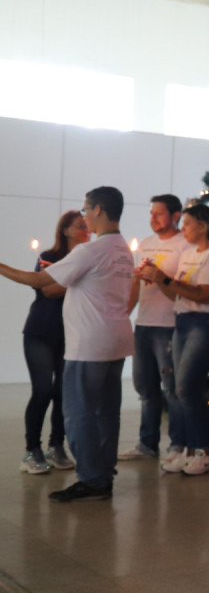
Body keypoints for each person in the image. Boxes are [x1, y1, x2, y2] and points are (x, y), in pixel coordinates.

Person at [1, 187, 137, 502]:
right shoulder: (121, 249)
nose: (85, 215)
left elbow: (38, 282)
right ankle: (103, 475)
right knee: (106, 413)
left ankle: (91, 480)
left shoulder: (91, 250)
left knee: (79, 414)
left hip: (90, 344)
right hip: (116, 340)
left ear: (99, 210)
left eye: (86, 209)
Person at [136, 204, 209, 477]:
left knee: (187, 387)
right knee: (179, 388)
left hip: (205, 323)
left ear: (202, 226)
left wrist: (164, 280)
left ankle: (205, 450)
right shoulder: (189, 252)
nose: (184, 230)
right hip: (183, 321)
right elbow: (176, 294)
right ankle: (188, 449)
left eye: (188, 224)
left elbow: (205, 294)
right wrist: (156, 279)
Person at [19, 211, 88, 474]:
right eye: (81, 226)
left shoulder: (87, 258)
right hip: (41, 331)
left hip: (71, 333)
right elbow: (46, 289)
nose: (86, 230)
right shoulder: (50, 256)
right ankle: (31, 450)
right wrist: (74, 282)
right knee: (43, 390)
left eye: (87, 226)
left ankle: (56, 445)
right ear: (66, 230)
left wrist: (65, 281)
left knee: (63, 392)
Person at [120, 194, 187, 462]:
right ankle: (147, 443)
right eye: (151, 214)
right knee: (145, 388)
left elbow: (182, 288)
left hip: (169, 324)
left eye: (159, 213)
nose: (153, 219)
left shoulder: (185, 246)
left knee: (172, 388)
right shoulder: (145, 245)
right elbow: (135, 285)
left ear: (176, 215)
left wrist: (160, 277)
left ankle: (178, 444)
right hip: (144, 324)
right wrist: (123, 313)